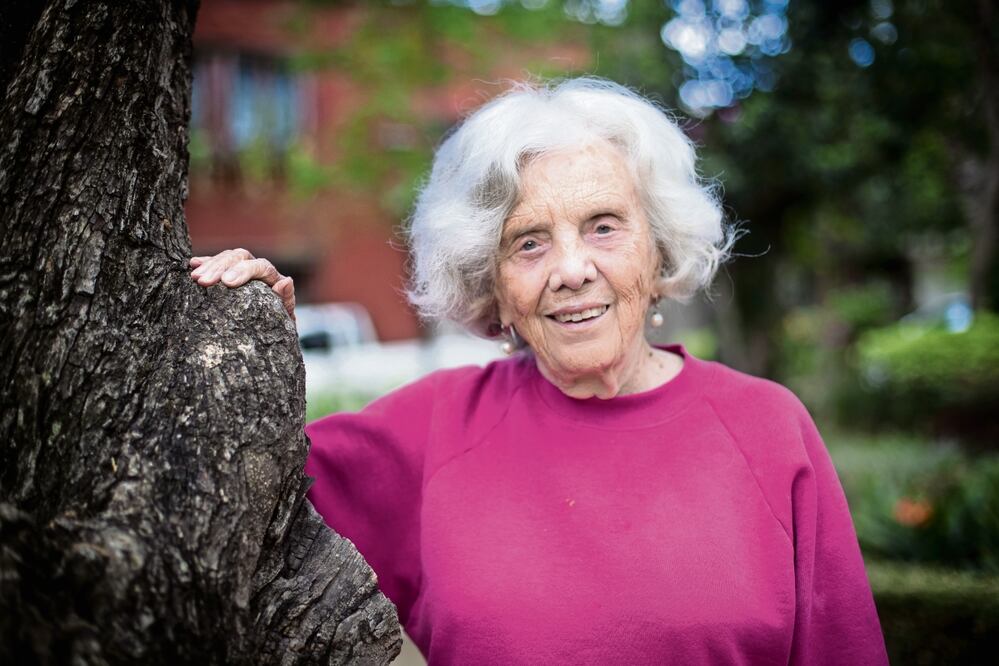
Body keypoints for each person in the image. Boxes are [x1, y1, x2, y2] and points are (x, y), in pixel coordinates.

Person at [189, 78, 889, 665]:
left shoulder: (766, 427)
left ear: (658, 247)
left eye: (603, 226)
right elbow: (212, 499)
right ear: (490, 283)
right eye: (528, 243)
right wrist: (247, 338)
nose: (571, 270)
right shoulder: (425, 431)